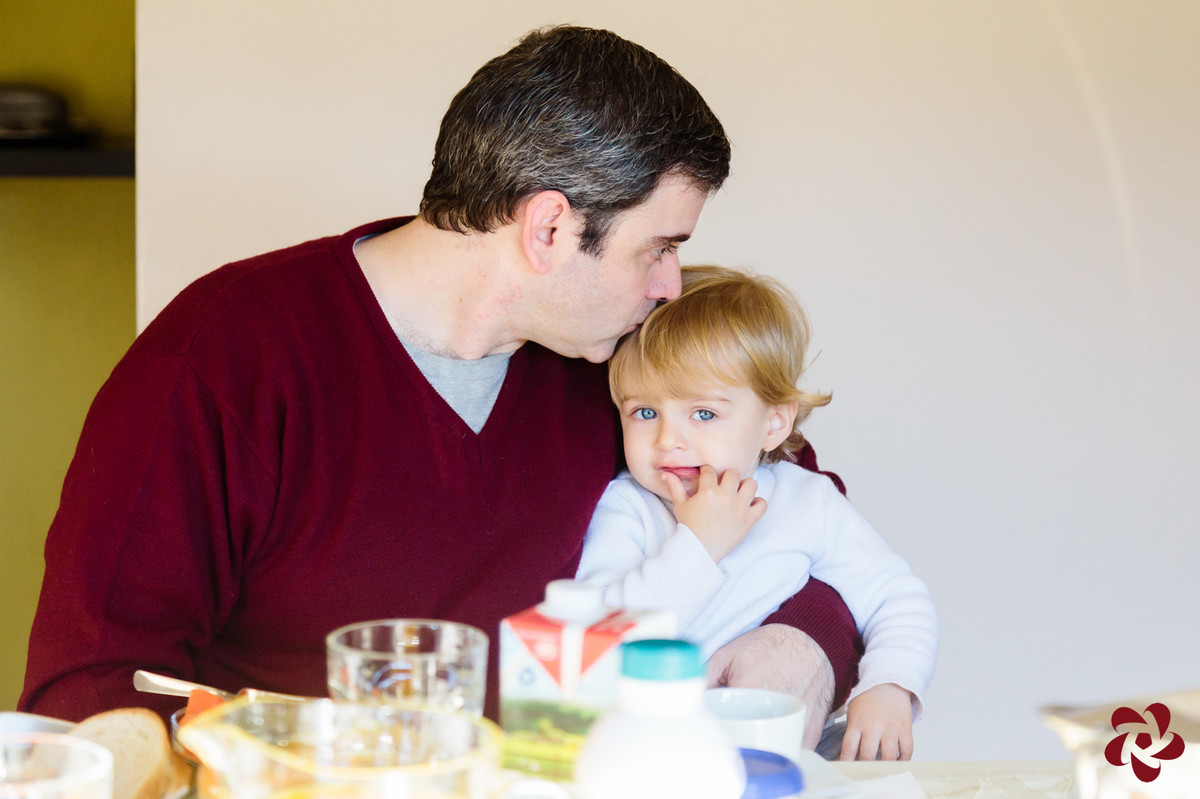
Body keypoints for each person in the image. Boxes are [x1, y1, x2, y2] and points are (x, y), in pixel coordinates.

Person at [20, 26, 862, 736]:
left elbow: (790, 490)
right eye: (660, 247)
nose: (672, 285)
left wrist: (808, 639)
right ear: (549, 226)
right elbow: (90, 684)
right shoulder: (226, 354)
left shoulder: (628, 360)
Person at [575, 265, 938, 761]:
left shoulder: (805, 501)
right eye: (645, 412)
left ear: (773, 422)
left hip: (770, 756)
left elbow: (895, 597)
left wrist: (890, 685)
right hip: (645, 755)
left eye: (703, 413)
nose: (668, 439)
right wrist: (699, 546)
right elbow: (597, 642)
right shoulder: (626, 508)